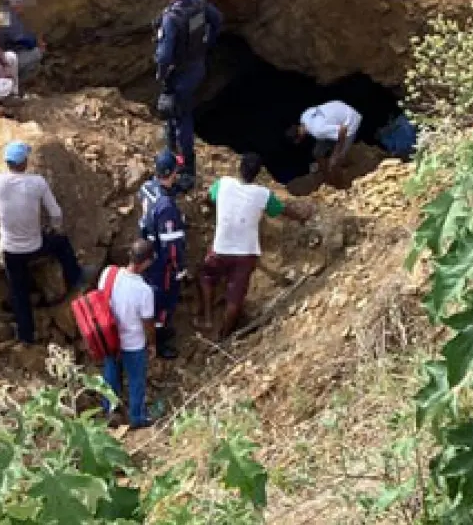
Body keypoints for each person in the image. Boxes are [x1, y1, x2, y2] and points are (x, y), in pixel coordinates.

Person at [0, 141, 91, 344]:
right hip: (35, 246)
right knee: (61, 243)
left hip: (10, 250)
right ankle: (76, 276)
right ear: (24, 162)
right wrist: (55, 227)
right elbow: (56, 213)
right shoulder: (37, 183)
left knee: (19, 292)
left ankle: (26, 336)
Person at [199, 153, 313, 339]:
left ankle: (208, 318)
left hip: (220, 248)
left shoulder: (224, 184)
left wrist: (205, 202)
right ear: (258, 174)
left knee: (206, 276)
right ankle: (224, 336)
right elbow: (283, 211)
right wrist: (302, 217)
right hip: (246, 254)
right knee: (235, 298)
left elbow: (208, 197)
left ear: (239, 167)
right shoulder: (263, 195)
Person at [154, 0, 222, 192]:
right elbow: (217, 19)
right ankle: (172, 144)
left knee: (182, 115)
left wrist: (162, 75)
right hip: (197, 67)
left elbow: (164, 56)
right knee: (177, 111)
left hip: (180, 74)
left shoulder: (171, 18)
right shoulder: (199, 4)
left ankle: (187, 168)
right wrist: (207, 45)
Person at [100, 239, 157, 429]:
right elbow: (148, 323)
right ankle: (137, 417)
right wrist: (152, 344)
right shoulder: (144, 291)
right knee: (136, 380)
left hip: (109, 338)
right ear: (147, 262)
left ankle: (110, 410)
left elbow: (101, 301)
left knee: (110, 374)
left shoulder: (108, 273)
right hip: (133, 343)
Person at [137, 150, 187, 359]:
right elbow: (172, 247)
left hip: (147, 252)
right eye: (176, 170)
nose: (178, 173)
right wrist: (178, 268)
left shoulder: (147, 187)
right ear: (170, 173)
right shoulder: (167, 209)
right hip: (162, 264)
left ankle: (157, 332)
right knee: (164, 301)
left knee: (152, 297)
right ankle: (159, 340)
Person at [288, 99, 363, 184]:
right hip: (338, 107)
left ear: (298, 138)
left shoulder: (317, 131)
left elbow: (343, 130)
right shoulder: (303, 117)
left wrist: (336, 153)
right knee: (317, 153)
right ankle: (328, 178)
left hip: (349, 121)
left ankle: (342, 186)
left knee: (334, 163)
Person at [0, 0, 45, 81]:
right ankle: (15, 85)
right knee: (37, 53)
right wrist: (36, 42)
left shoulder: (1, 12)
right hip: (3, 61)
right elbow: (18, 37)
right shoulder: (10, 16)